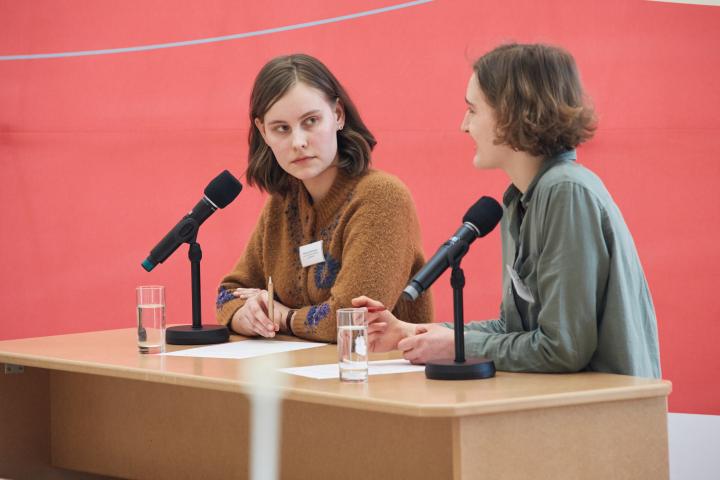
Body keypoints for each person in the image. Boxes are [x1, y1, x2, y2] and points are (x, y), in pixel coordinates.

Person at [354, 43, 661, 377]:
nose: (463, 126)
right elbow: (512, 328)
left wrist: (460, 345)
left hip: (600, 419)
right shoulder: (520, 198)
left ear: (512, 113)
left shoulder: (565, 192)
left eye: (472, 110)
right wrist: (409, 332)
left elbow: (563, 349)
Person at [216, 53, 433, 342]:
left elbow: (352, 319)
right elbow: (228, 294)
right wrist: (246, 315)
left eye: (311, 121)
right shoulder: (282, 204)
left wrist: (285, 316)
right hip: (301, 377)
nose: (298, 142)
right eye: (281, 128)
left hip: (380, 379)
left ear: (338, 115)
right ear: (263, 132)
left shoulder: (382, 198)